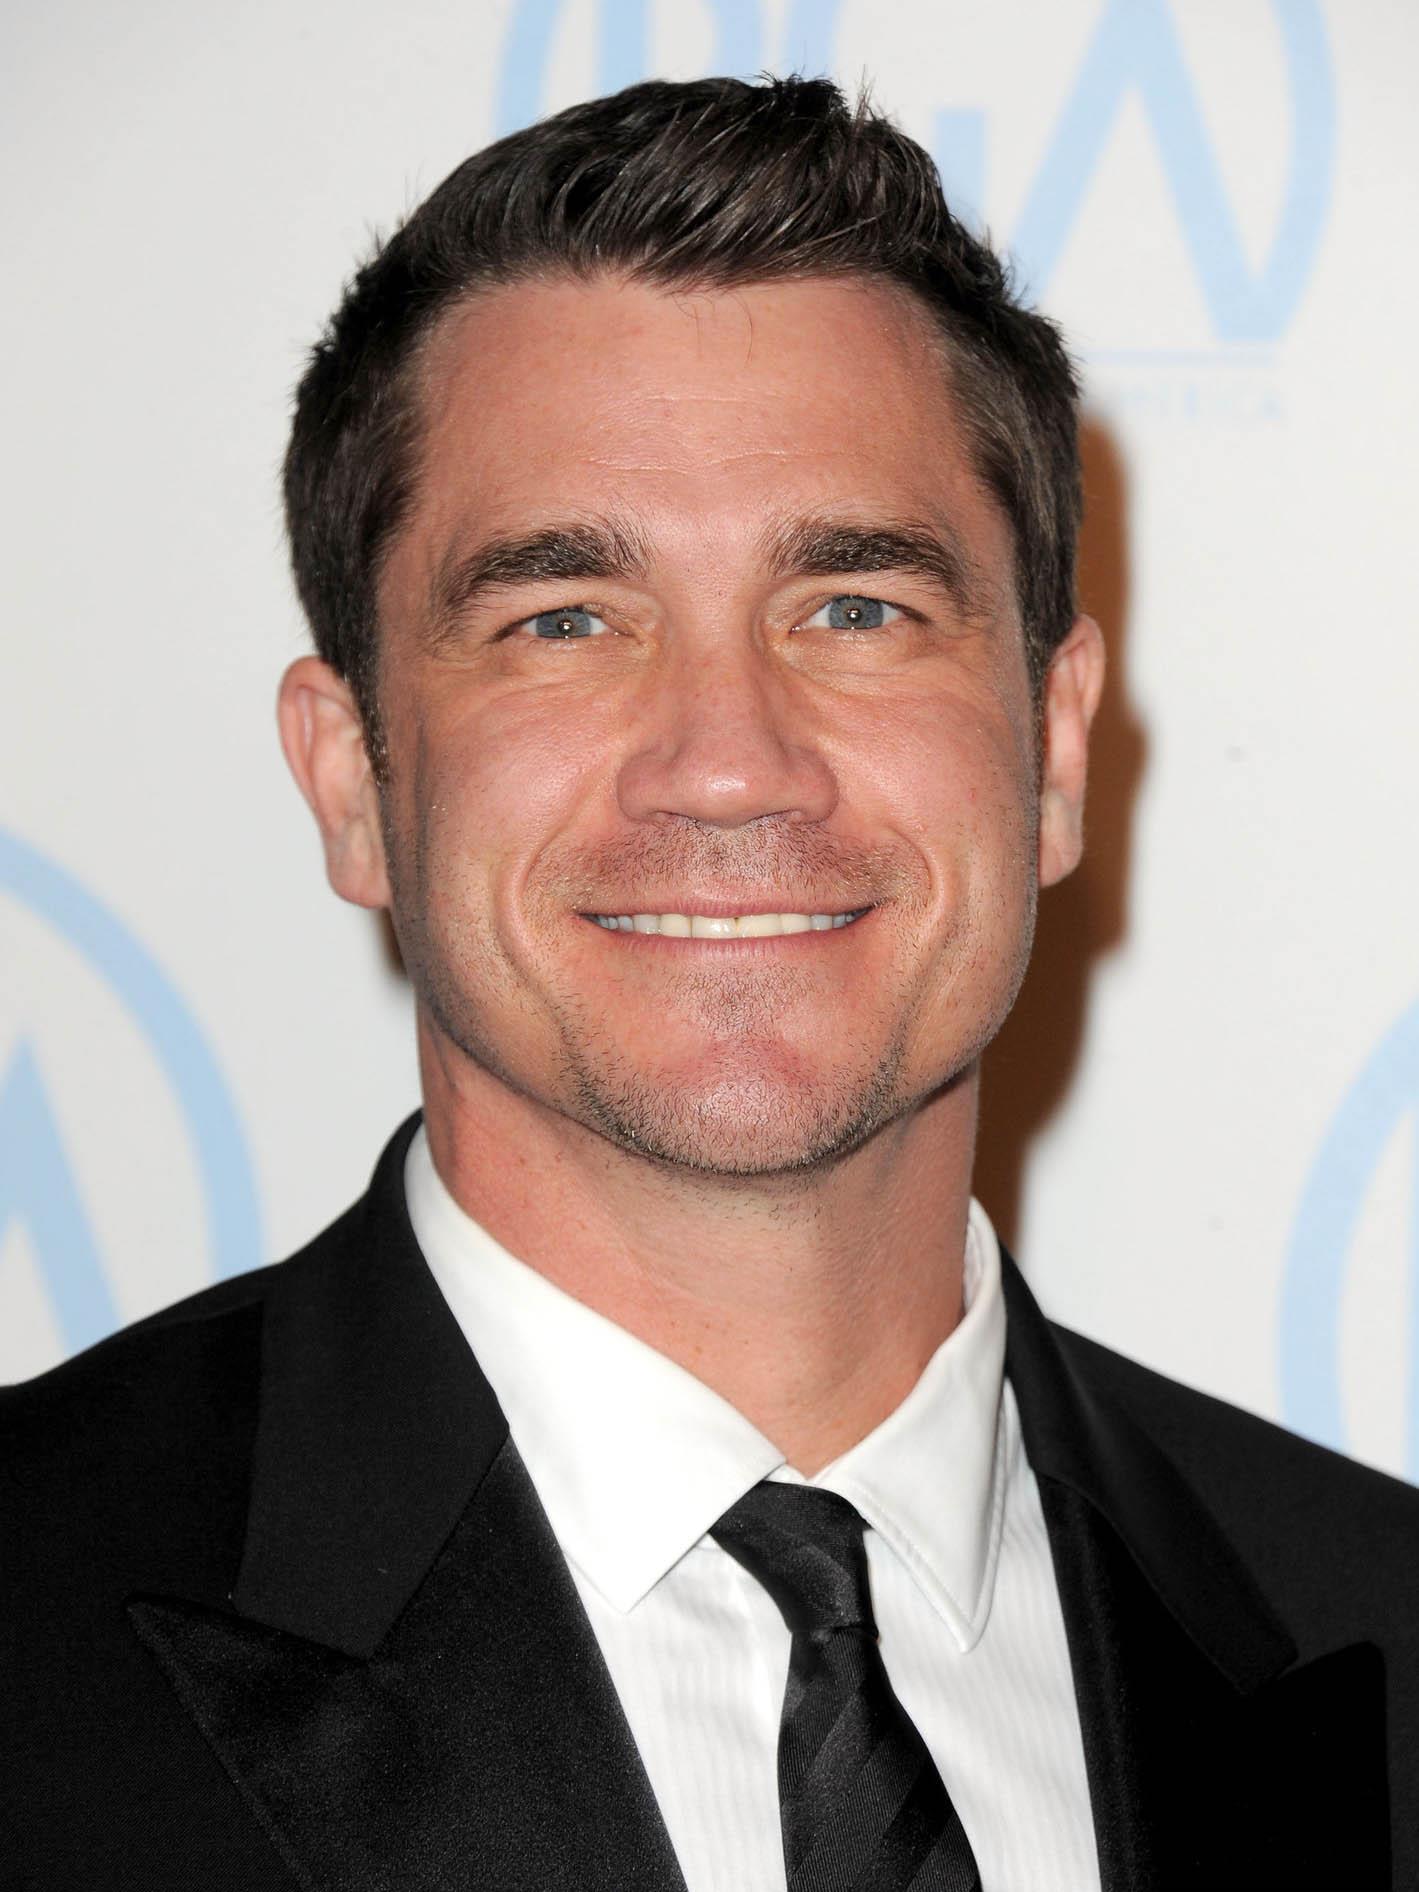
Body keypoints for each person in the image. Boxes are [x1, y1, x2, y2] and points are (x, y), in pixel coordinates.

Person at [2, 74, 1415, 1892]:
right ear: (353, 781)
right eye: (563, 621)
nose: (731, 763)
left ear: (1055, 747)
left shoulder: (1382, 1624)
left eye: (856, 609)